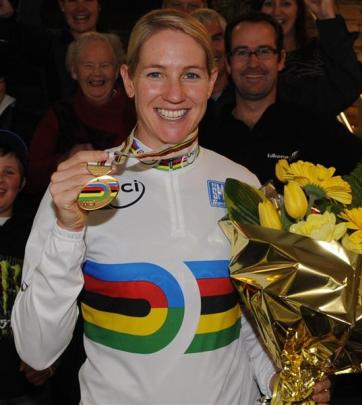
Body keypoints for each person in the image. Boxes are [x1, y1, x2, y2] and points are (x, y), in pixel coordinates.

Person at [11, 9, 331, 405]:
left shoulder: (243, 185)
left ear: (213, 79)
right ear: (128, 80)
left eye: (191, 74)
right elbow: (36, 351)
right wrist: (68, 229)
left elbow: (248, 327)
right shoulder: (80, 187)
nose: (175, 94)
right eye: (156, 73)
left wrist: (284, 380)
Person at [199, 11, 362, 186]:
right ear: (228, 63)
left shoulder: (312, 126)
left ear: (281, 59)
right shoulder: (207, 133)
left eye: (264, 51)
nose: (253, 63)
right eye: (242, 52)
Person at [25, 31, 136, 200]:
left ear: (117, 71)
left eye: (105, 65)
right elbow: (30, 179)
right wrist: (65, 161)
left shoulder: (136, 110)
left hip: (133, 198)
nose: (97, 74)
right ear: (74, 71)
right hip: (76, 207)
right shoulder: (58, 114)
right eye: (88, 65)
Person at [0, 129, 52, 404]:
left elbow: (58, 301)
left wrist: (49, 357)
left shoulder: (37, 236)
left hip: (21, 388)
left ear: (22, 183)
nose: (0, 179)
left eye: (9, 171)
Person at [257, 0, 362, 116]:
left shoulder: (321, 52)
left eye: (286, 3)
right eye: (268, 4)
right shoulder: (249, 59)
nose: (276, 11)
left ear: (298, 11)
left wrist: (327, 17)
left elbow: (347, 90)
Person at [0, 0, 103, 113]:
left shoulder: (117, 51)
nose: (80, 8)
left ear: (99, 5)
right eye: (72, 1)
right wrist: (8, 14)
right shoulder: (45, 47)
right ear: (61, 5)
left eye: (88, 0)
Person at [191, 8, 229, 101]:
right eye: (202, 41)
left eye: (216, 39)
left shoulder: (245, 94)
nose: (211, 48)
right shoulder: (181, 97)